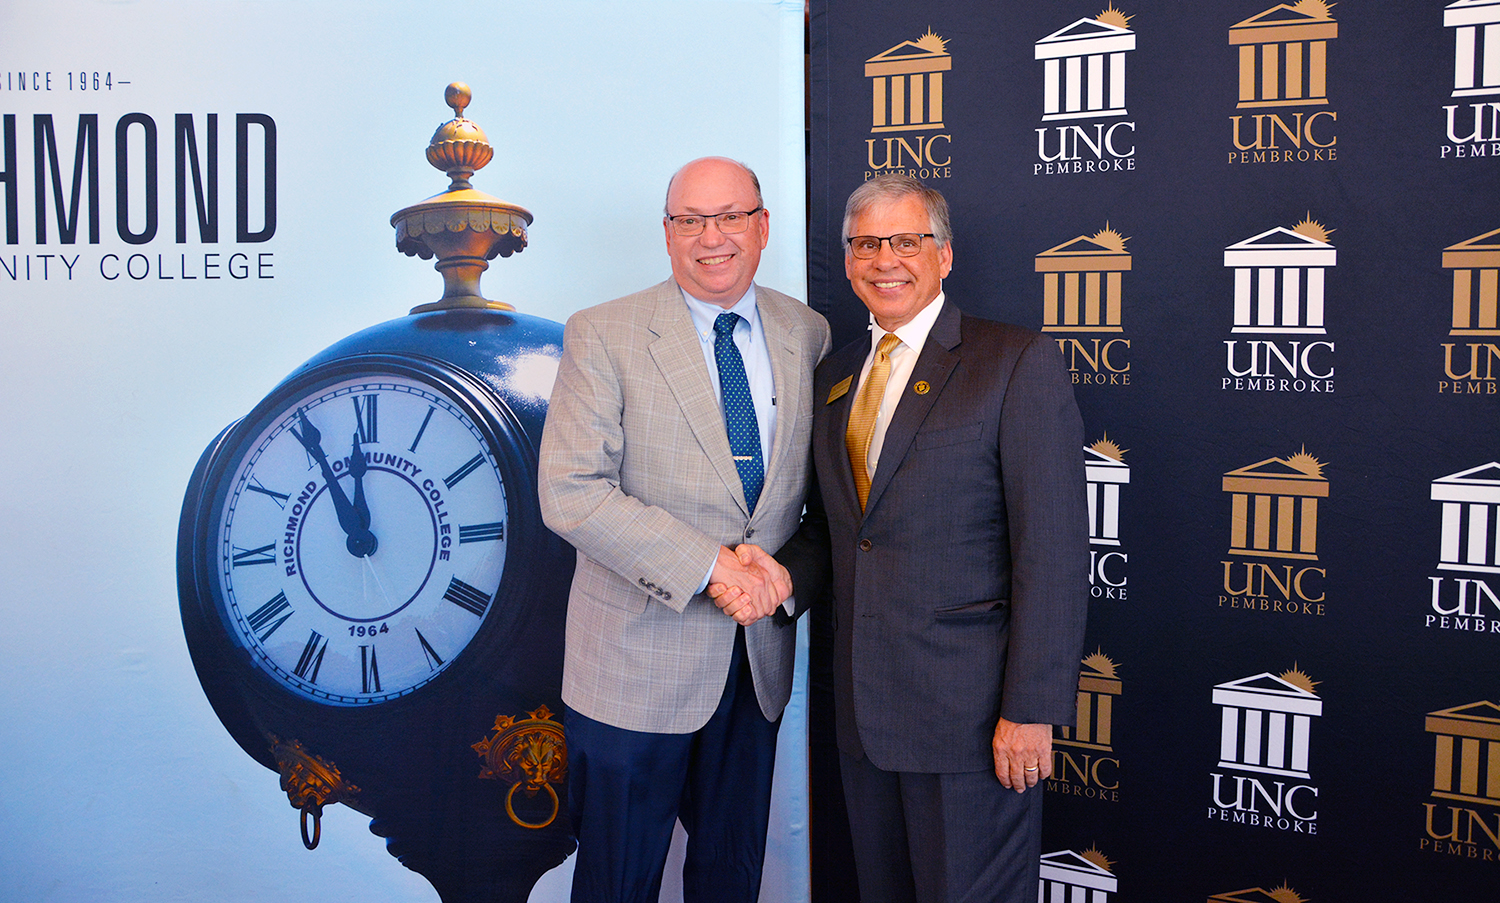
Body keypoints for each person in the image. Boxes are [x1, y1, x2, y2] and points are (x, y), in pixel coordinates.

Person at [741, 173, 1088, 902]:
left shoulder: (1013, 362)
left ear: (945, 255)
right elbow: (840, 531)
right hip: (866, 715)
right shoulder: (835, 373)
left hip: (973, 720)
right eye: (868, 243)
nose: (885, 259)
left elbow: (1051, 553)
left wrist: (1031, 709)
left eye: (906, 240)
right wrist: (774, 580)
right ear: (847, 259)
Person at [537, 156, 831, 903]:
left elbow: (820, 498)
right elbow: (570, 492)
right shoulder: (604, 333)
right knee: (617, 882)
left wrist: (775, 578)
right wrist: (711, 567)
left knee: (730, 879)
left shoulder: (809, 333)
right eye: (690, 221)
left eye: (730, 216)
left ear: (762, 227)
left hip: (754, 660)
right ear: (667, 235)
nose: (712, 238)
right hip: (634, 667)